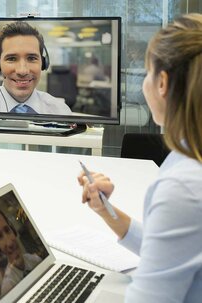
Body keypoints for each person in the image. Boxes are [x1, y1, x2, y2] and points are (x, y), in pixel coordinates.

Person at [77, 14, 202, 302]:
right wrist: (105, 210)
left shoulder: (183, 185)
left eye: (146, 72)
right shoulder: (188, 157)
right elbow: (173, 249)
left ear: (162, 83)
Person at [0, 21, 72, 115]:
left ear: (43, 63)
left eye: (32, 58)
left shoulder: (61, 111)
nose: (22, 71)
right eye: (11, 59)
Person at [0, 205, 42, 296]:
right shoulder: (8, 289)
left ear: (13, 231)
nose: (9, 243)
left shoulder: (36, 260)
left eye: (7, 230)